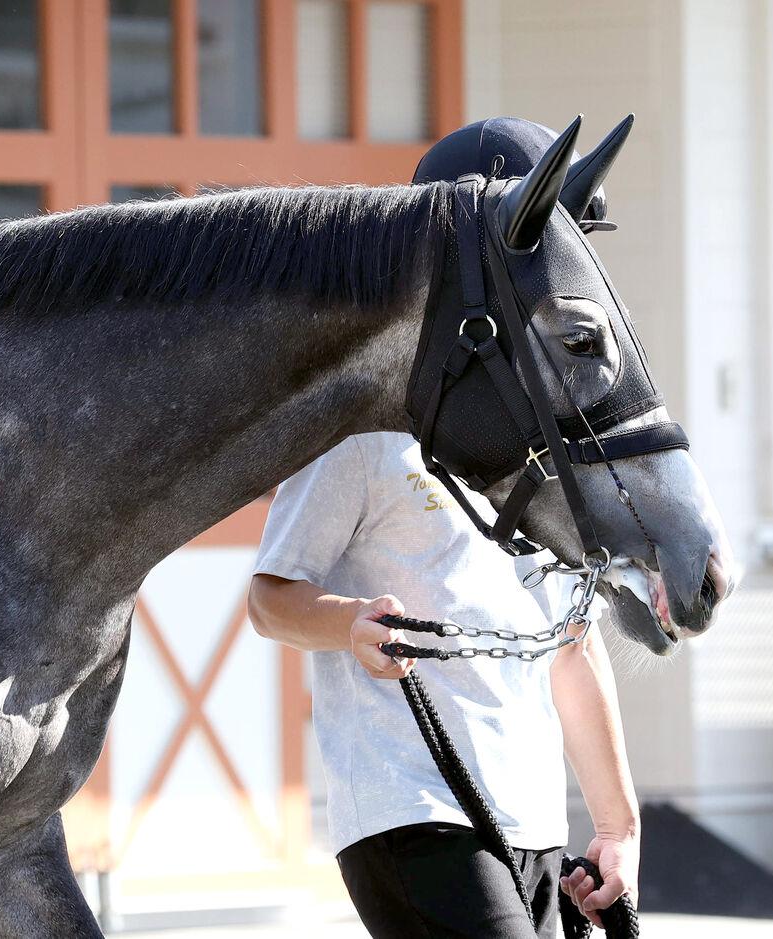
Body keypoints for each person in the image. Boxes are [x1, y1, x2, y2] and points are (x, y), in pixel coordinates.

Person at [246, 119, 639, 939]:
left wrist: (618, 825)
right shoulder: (363, 425)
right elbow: (270, 597)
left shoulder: (547, 447)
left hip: (531, 822)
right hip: (411, 804)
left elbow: (574, 645)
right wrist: (346, 624)